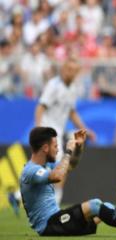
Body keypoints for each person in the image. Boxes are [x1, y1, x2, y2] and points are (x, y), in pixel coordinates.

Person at [20, 126, 116, 237]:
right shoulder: (31, 170)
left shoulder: (44, 166)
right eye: (55, 146)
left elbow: (70, 165)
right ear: (45, 148)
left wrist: (78, 148)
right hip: (49, 225)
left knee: (105, 207)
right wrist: (68, 150)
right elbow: (58, 176)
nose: (58, 149)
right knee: (94, 205)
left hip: (58, 220)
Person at [34, 57, 97, 205]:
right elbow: (40, 107)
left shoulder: (73, 88)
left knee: (49, 169)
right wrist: (38, 128)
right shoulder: (54, 85)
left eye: (75, 71)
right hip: (47, 130)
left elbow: (71, 112)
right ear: (63, 69)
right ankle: (55, 202)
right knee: (62, 165)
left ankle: (18, 196)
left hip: (58, 132)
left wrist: (85, 129)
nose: (71, 73)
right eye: (69, 69)